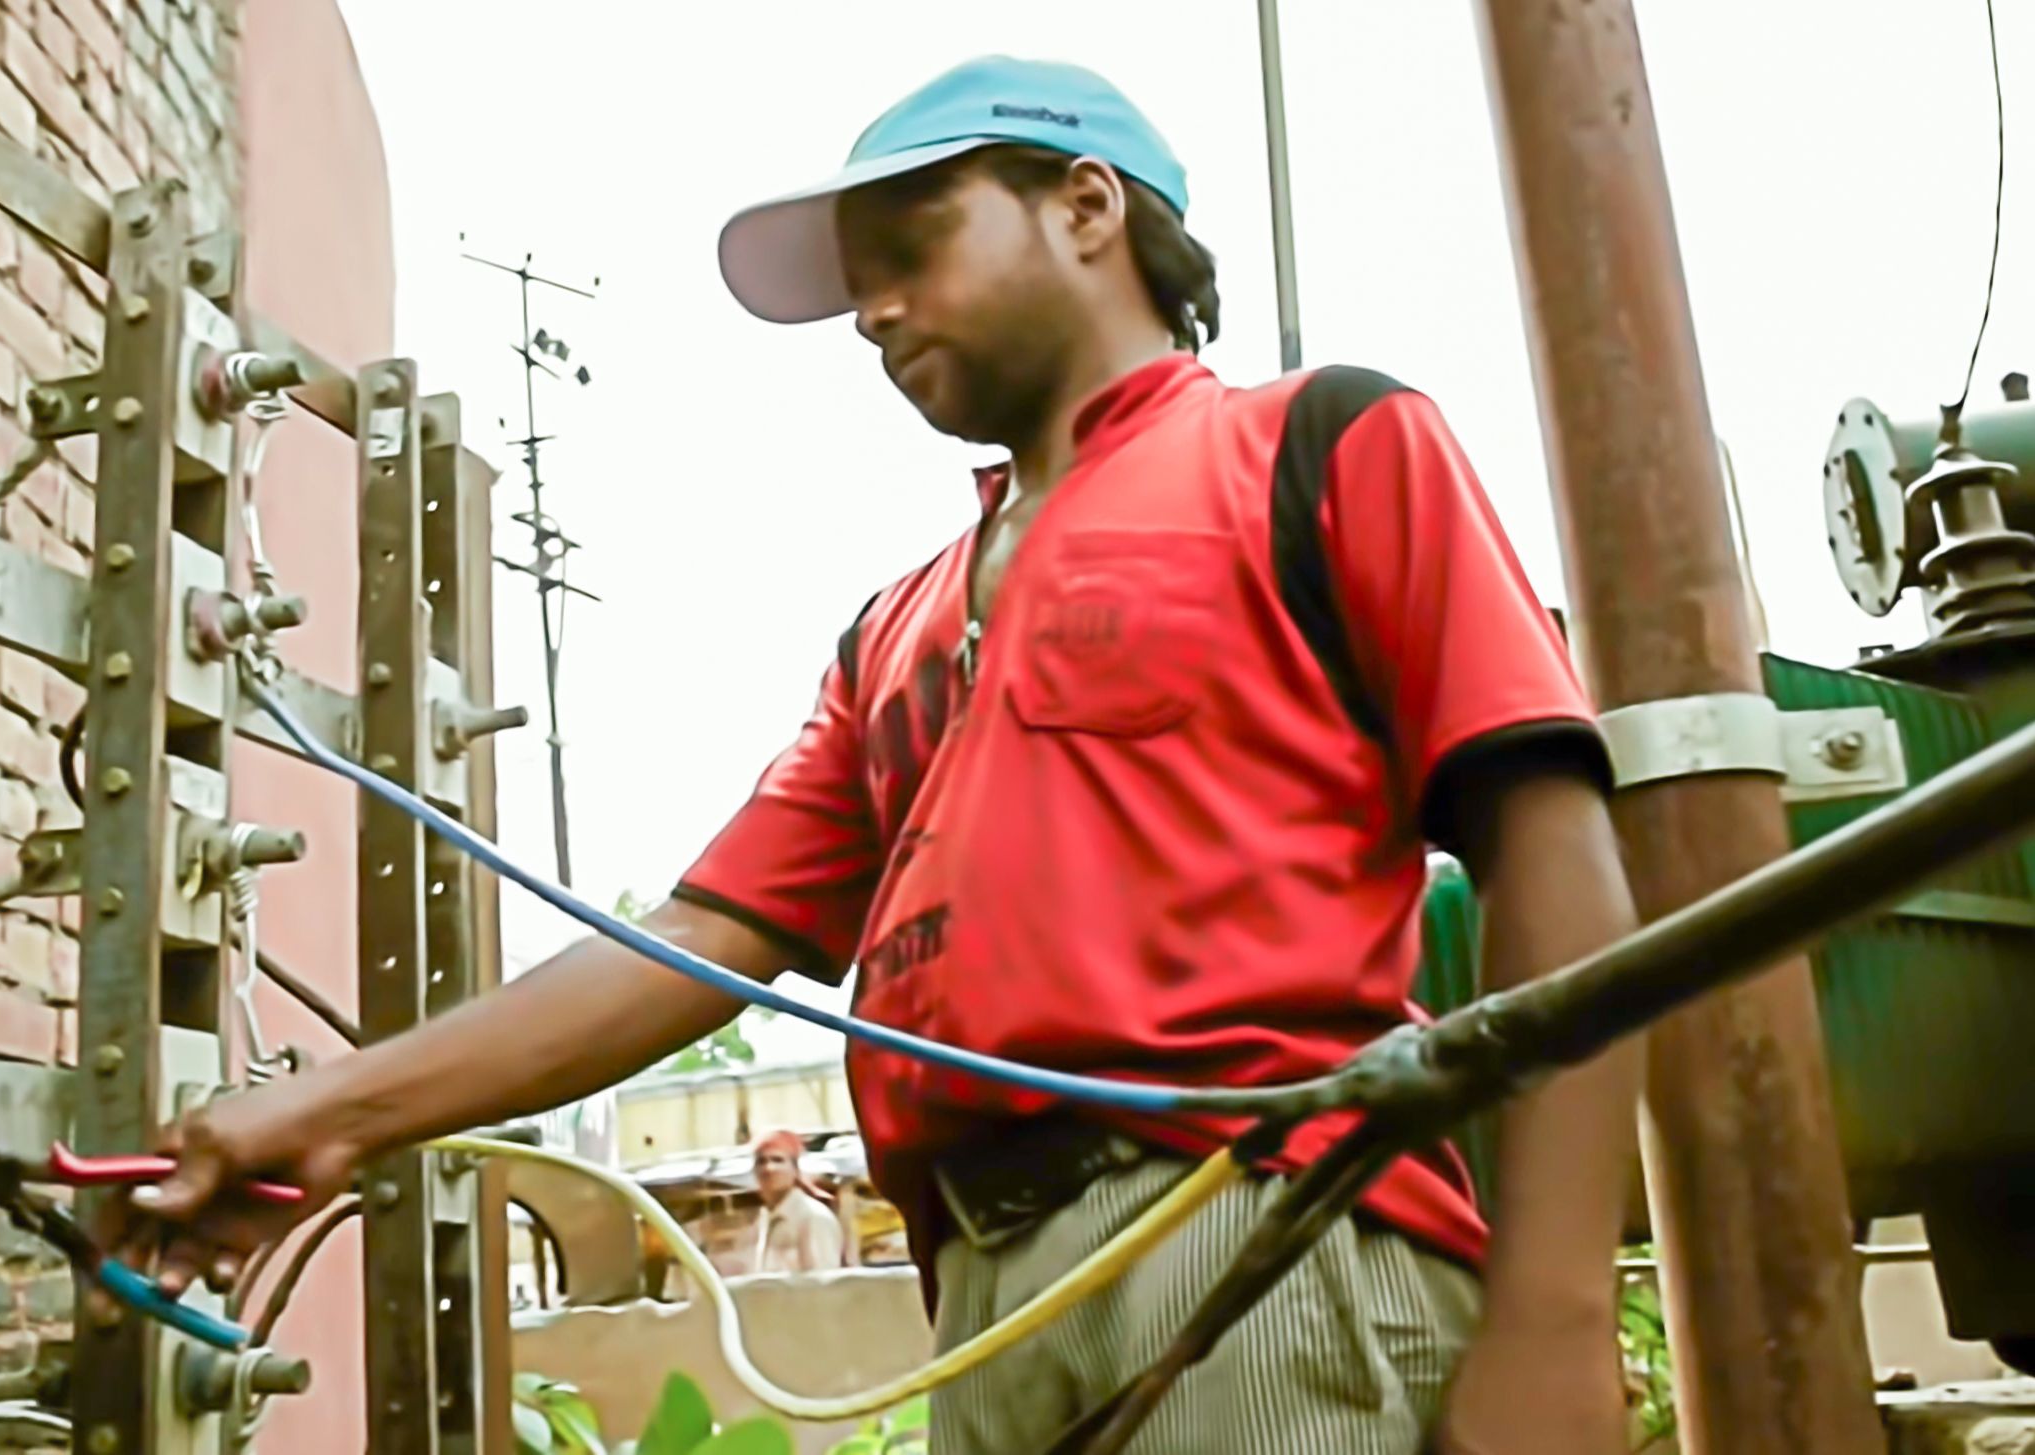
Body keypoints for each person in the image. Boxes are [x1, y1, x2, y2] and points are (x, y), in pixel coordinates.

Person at [109, 55, 1643, 1454]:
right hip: (987, 1295)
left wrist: (1560, 1312)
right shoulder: (894, 629)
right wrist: (314, 1113)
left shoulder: (1321, 442)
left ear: (1088, 206)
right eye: (857, 288)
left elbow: (1555, 852)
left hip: (1259, 1231)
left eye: (913, 249)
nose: (876, 311)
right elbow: (696, 948)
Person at [747, 1129, 847, 1276]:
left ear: (795, 1170)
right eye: (761, 1161)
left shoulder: (813, 1218)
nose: (769, 1168)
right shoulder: (766, 1218)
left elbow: (822, 1283)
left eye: (778, 1160)